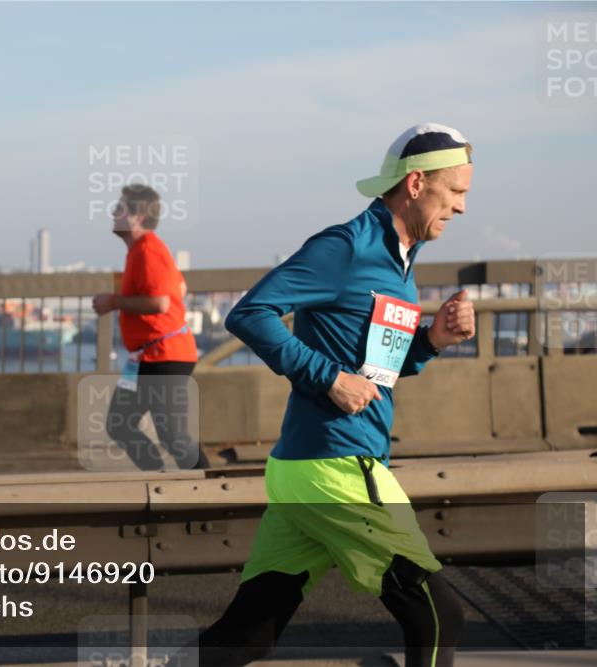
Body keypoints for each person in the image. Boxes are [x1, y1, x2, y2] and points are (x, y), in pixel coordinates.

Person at [194, 123, 477, 666]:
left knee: (249, 633)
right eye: (456, 192)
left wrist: (434, 339)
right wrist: (327, 377)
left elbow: (375, 369)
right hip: (336, 466)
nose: (462, 207)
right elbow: (250, 313)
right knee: (438, 614)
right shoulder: (346, 247)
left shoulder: (398, 261)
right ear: (416, 184)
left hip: (308, 467)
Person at [92, 183, 209, 471]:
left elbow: (159, 303)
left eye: (119, 208)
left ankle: (214, 491)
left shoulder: (148, 251)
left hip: (166, 354)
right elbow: (178, 287)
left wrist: (114, 301)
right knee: (120, 423)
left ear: (138, 217)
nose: (113, 211)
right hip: (148, 357)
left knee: (173, 434)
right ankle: (157, 482)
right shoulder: (142, 252)